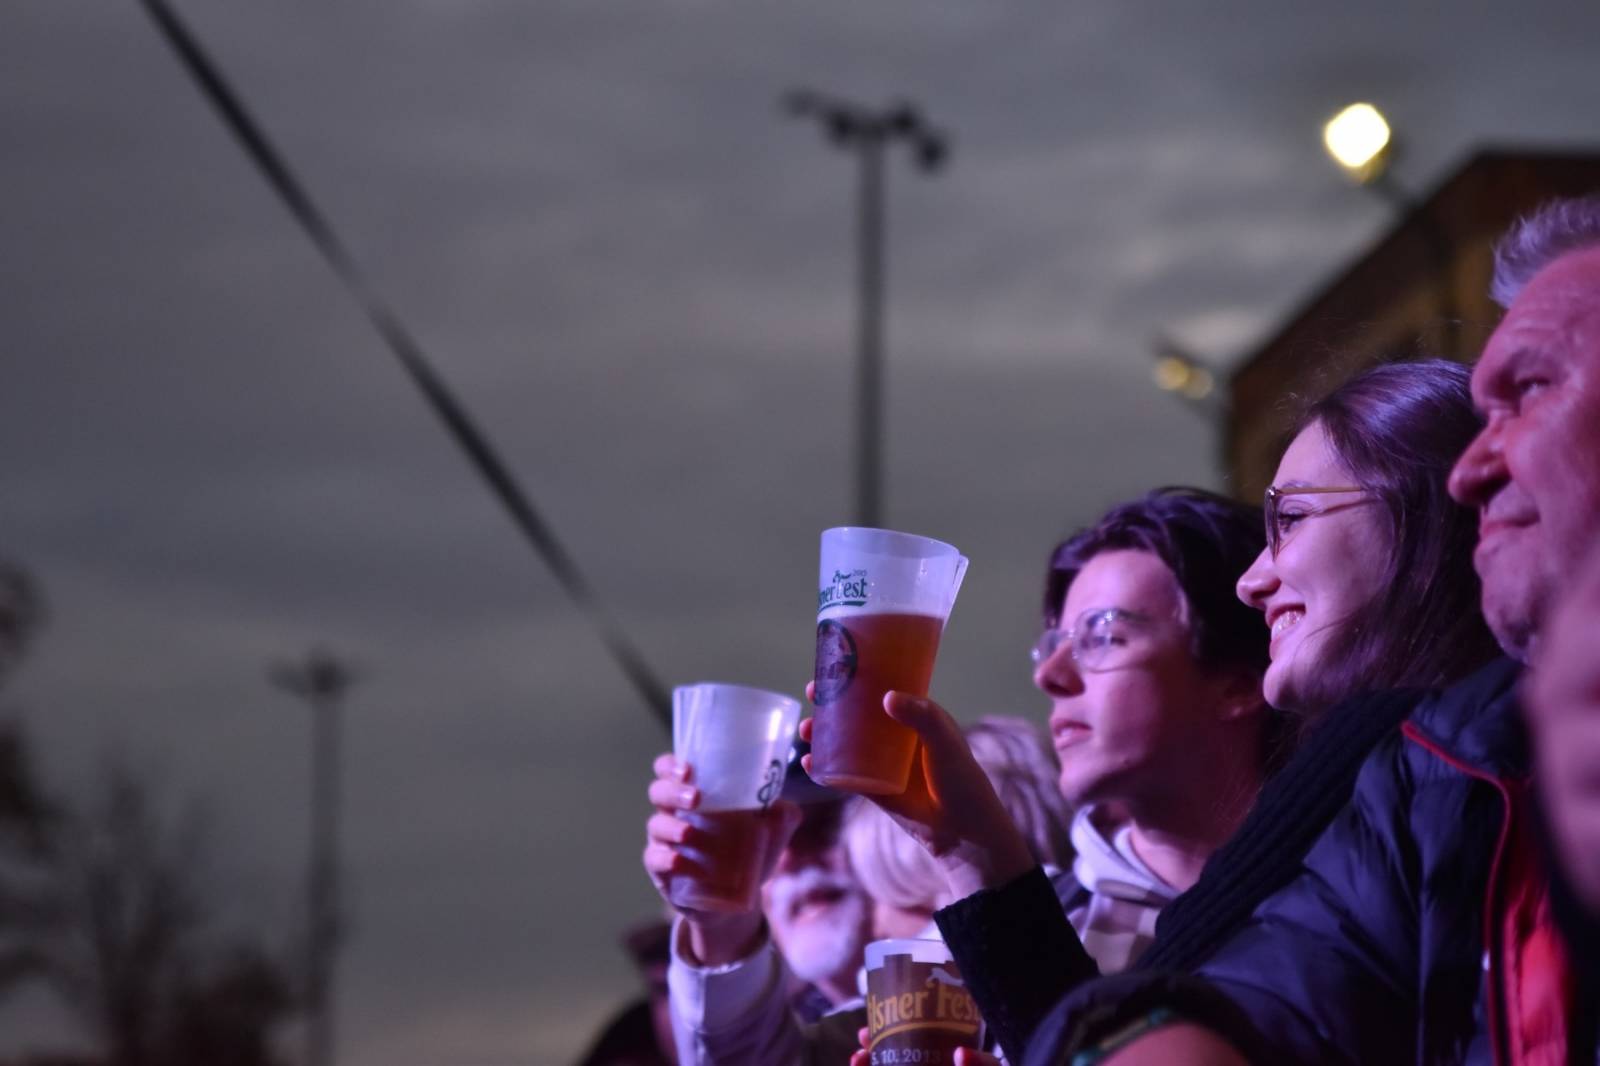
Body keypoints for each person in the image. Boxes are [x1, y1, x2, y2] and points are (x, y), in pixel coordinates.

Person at [1031, 194, 1600, 1065]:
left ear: (1413, 526)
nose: (1476, 471)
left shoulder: (1422, 752)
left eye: (1289, 519)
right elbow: (1253, 1001)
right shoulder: (1431, 773)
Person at [841, 361, 1496, 1066]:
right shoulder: (1405, 772)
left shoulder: (1438, 762)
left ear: (1427, 512)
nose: (1255, 580)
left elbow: (1155, 1024)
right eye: (1055, 641)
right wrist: (971, 845)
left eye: (1292, 519)